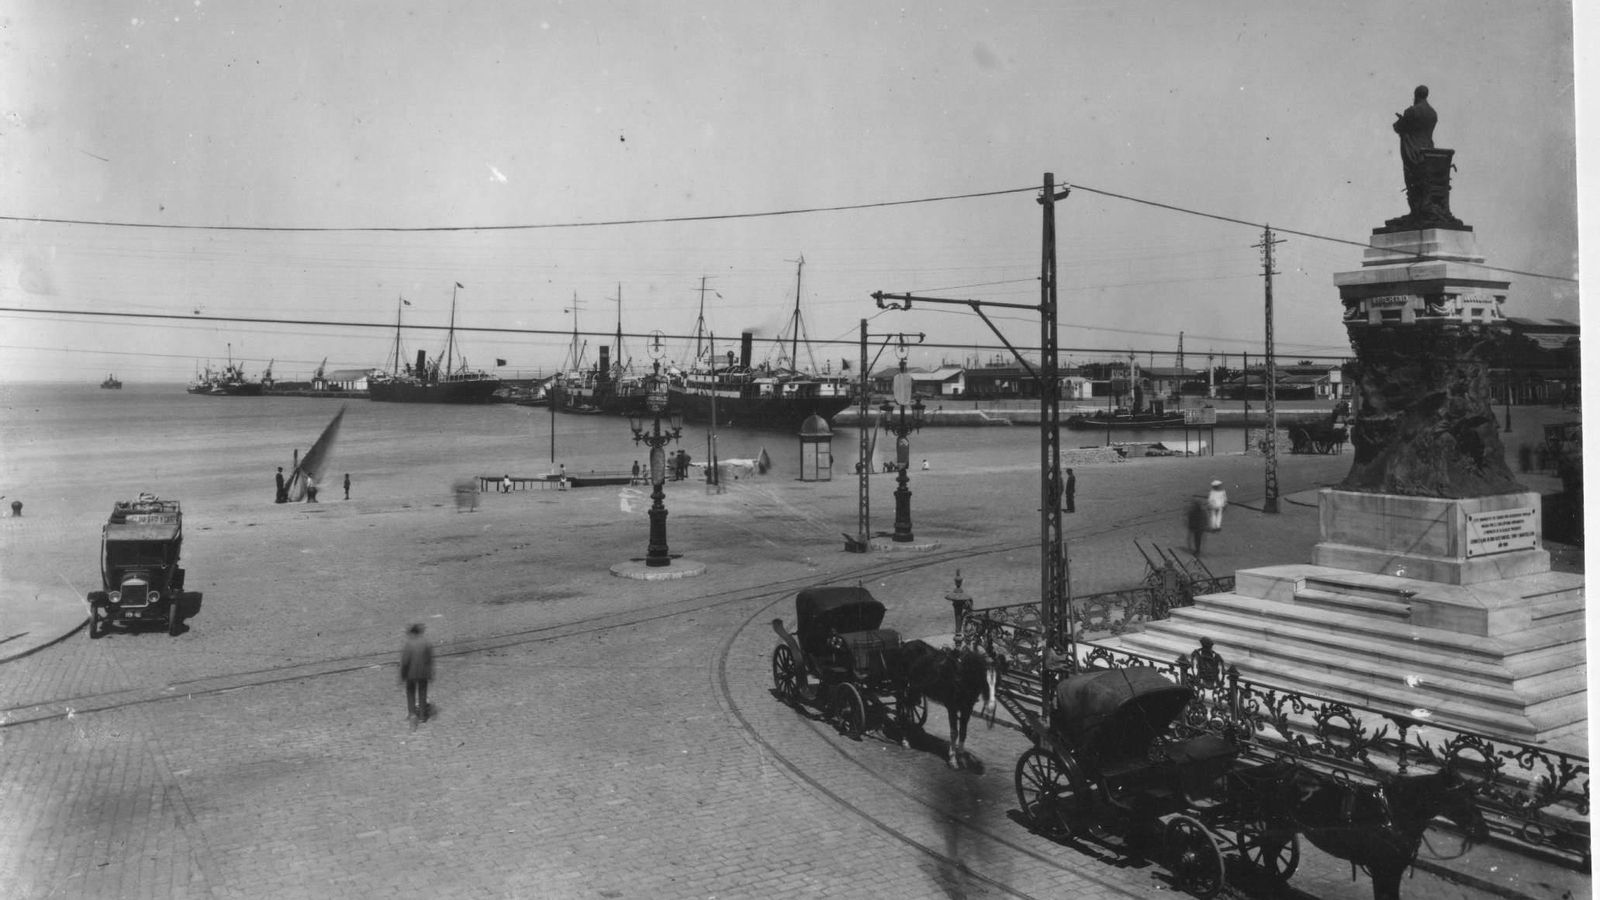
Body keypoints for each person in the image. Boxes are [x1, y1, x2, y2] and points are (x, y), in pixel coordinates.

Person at [1393, 85, 1436, 217]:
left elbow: (1398, 127)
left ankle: (1416, 211)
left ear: (1416, 95)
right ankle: (1424, 207)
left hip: (1413, 152)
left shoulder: (1412, 111)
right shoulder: (1433, 113)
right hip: (1428, 152)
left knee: (1411, 178)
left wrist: (1401, 121)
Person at [399, 623, 435, 724]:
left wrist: (402, 675)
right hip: (423, 674)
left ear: (412, 633)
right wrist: (431, 673)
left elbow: (405, 661)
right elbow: (429, 660)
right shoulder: (426, 643)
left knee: (410, 693)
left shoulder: (409, 644)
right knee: (422, 693)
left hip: (411, 674)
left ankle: (412, 714)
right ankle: (423, 716)